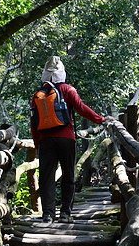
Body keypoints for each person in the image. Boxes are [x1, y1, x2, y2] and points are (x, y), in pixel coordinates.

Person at [31, 55, 107, 224]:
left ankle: (48, 215)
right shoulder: (68, 89)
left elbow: (33, 123)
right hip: (66, 139)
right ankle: (65, 213)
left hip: (45, 141)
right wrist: (101, 119)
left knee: (46, 178)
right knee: (68, 175)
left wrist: (37, 145)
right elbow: (81, 108)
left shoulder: (38, 95)